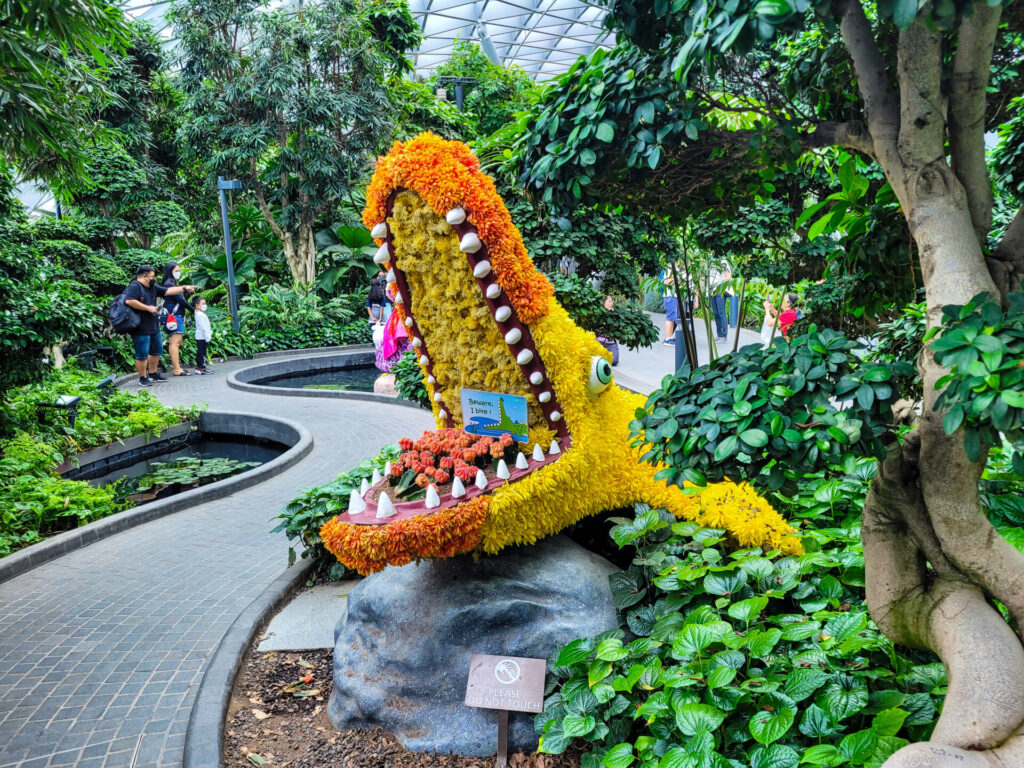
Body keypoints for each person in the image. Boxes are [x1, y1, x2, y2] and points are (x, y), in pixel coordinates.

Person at [123, 265, 194, 387]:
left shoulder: (152, 287)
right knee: (142, 353)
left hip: (153, 324)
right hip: (140, 326)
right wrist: (147, 308)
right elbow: (129, 300)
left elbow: (168, 291)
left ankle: (153, 373)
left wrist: (184, 288)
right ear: (145, 276)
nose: (153, 279)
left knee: (156, 350)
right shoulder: (134, 286)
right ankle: (142, 377)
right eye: (152, 276)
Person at [161, 262, 194, 376]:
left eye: (179, 271)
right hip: (173, 316)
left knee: (176, 341)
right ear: (170, 271)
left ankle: (178, 368)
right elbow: (181, 300)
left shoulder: (171, 283)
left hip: (176, 315)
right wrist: (193, 310)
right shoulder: (170, 284)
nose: (178, 273)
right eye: (176, 271)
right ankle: (176, 369)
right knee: (175, 342)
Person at [710, 264, 732, 342]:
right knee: (716, 313)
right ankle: (719, 335)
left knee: (721, 313)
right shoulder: (710, 262)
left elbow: (729, 277)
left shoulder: (722, 262)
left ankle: (724, 336)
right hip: (712, 291)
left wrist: (720, 286)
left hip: (720, 291)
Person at [192, 295, 213, 375]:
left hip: (202, 336)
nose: (205, 305)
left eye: (205, 303)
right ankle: (200, 368)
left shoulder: (199, 314)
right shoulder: (200, 315)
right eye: (203, 303)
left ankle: (201, 367)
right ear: (197, 305)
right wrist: (208, 336)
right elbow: (203, 327)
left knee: (202, 352)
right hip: (202, 337)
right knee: (201, 353)